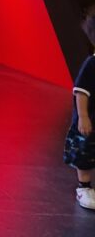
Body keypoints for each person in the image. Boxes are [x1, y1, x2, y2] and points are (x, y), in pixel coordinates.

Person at [66, 13, 95, 210]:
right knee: (85, 153)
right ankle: (83, 187)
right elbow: (81, 92)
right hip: (89, 120)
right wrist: (83, 117)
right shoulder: (91, 64)